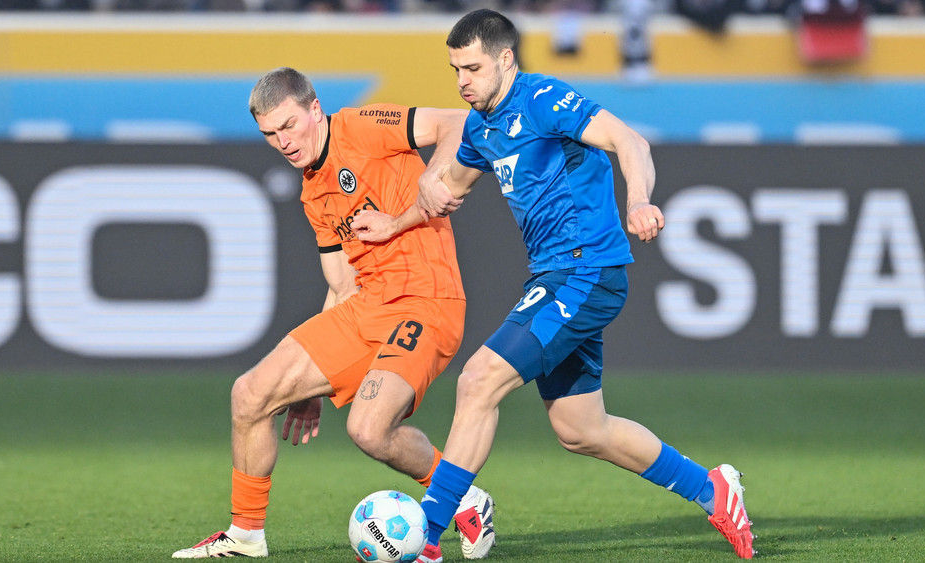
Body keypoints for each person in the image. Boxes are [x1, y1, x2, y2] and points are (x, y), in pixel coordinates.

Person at [352, 9, 755, 561]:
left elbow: (629, 140)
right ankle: (713, 491)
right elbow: (445, 191)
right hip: (556, 273)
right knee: (581, 430)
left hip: (586, 268)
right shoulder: (480, 128)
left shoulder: (542, 97)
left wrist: (637, 200)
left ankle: (428, 533)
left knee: (478, 381)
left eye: (472, 68)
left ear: (506, 60)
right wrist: (395, 224)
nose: (462, 81)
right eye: (455, 70)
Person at [171, 67, 496, 559]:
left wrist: (431, 180)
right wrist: (312, 385)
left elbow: (456, 121)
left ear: (315, 109)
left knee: (368, 430)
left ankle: (462, 497)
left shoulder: (361, 126)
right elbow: (342, 283)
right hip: (368, 304)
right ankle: (245, 536)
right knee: (251, 394)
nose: (282, 142)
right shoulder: (312, 189)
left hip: (427, 301)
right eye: (269, 134)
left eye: (288, 125)